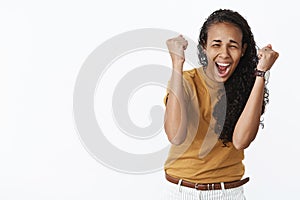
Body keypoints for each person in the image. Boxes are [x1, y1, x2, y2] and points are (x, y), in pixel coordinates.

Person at [163, 9, 279, 199]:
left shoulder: (248, 86)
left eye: (233, 46)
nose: (224, 53)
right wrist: (177, 63)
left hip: (228, 193)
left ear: (243, 50)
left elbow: (241, 141)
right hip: (180, 191)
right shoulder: (186, 81)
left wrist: (261, 73)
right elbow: (175, 136)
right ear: (203, 48)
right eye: (216, 44)